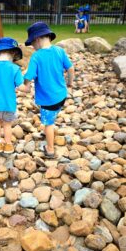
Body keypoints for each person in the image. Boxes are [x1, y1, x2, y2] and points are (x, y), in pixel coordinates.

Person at [24, 22, 74, 158]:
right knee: (53, 114)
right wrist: (69, 84)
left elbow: (29, 75)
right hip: (61, 95)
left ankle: (50, 149)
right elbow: (70, 69)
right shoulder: (59, 50)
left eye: (32, 44)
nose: (33, 48)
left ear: (37, 39)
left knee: (48, 123)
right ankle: (48, 129)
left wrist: (26, 85)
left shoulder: (37, 56)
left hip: (48, 99)